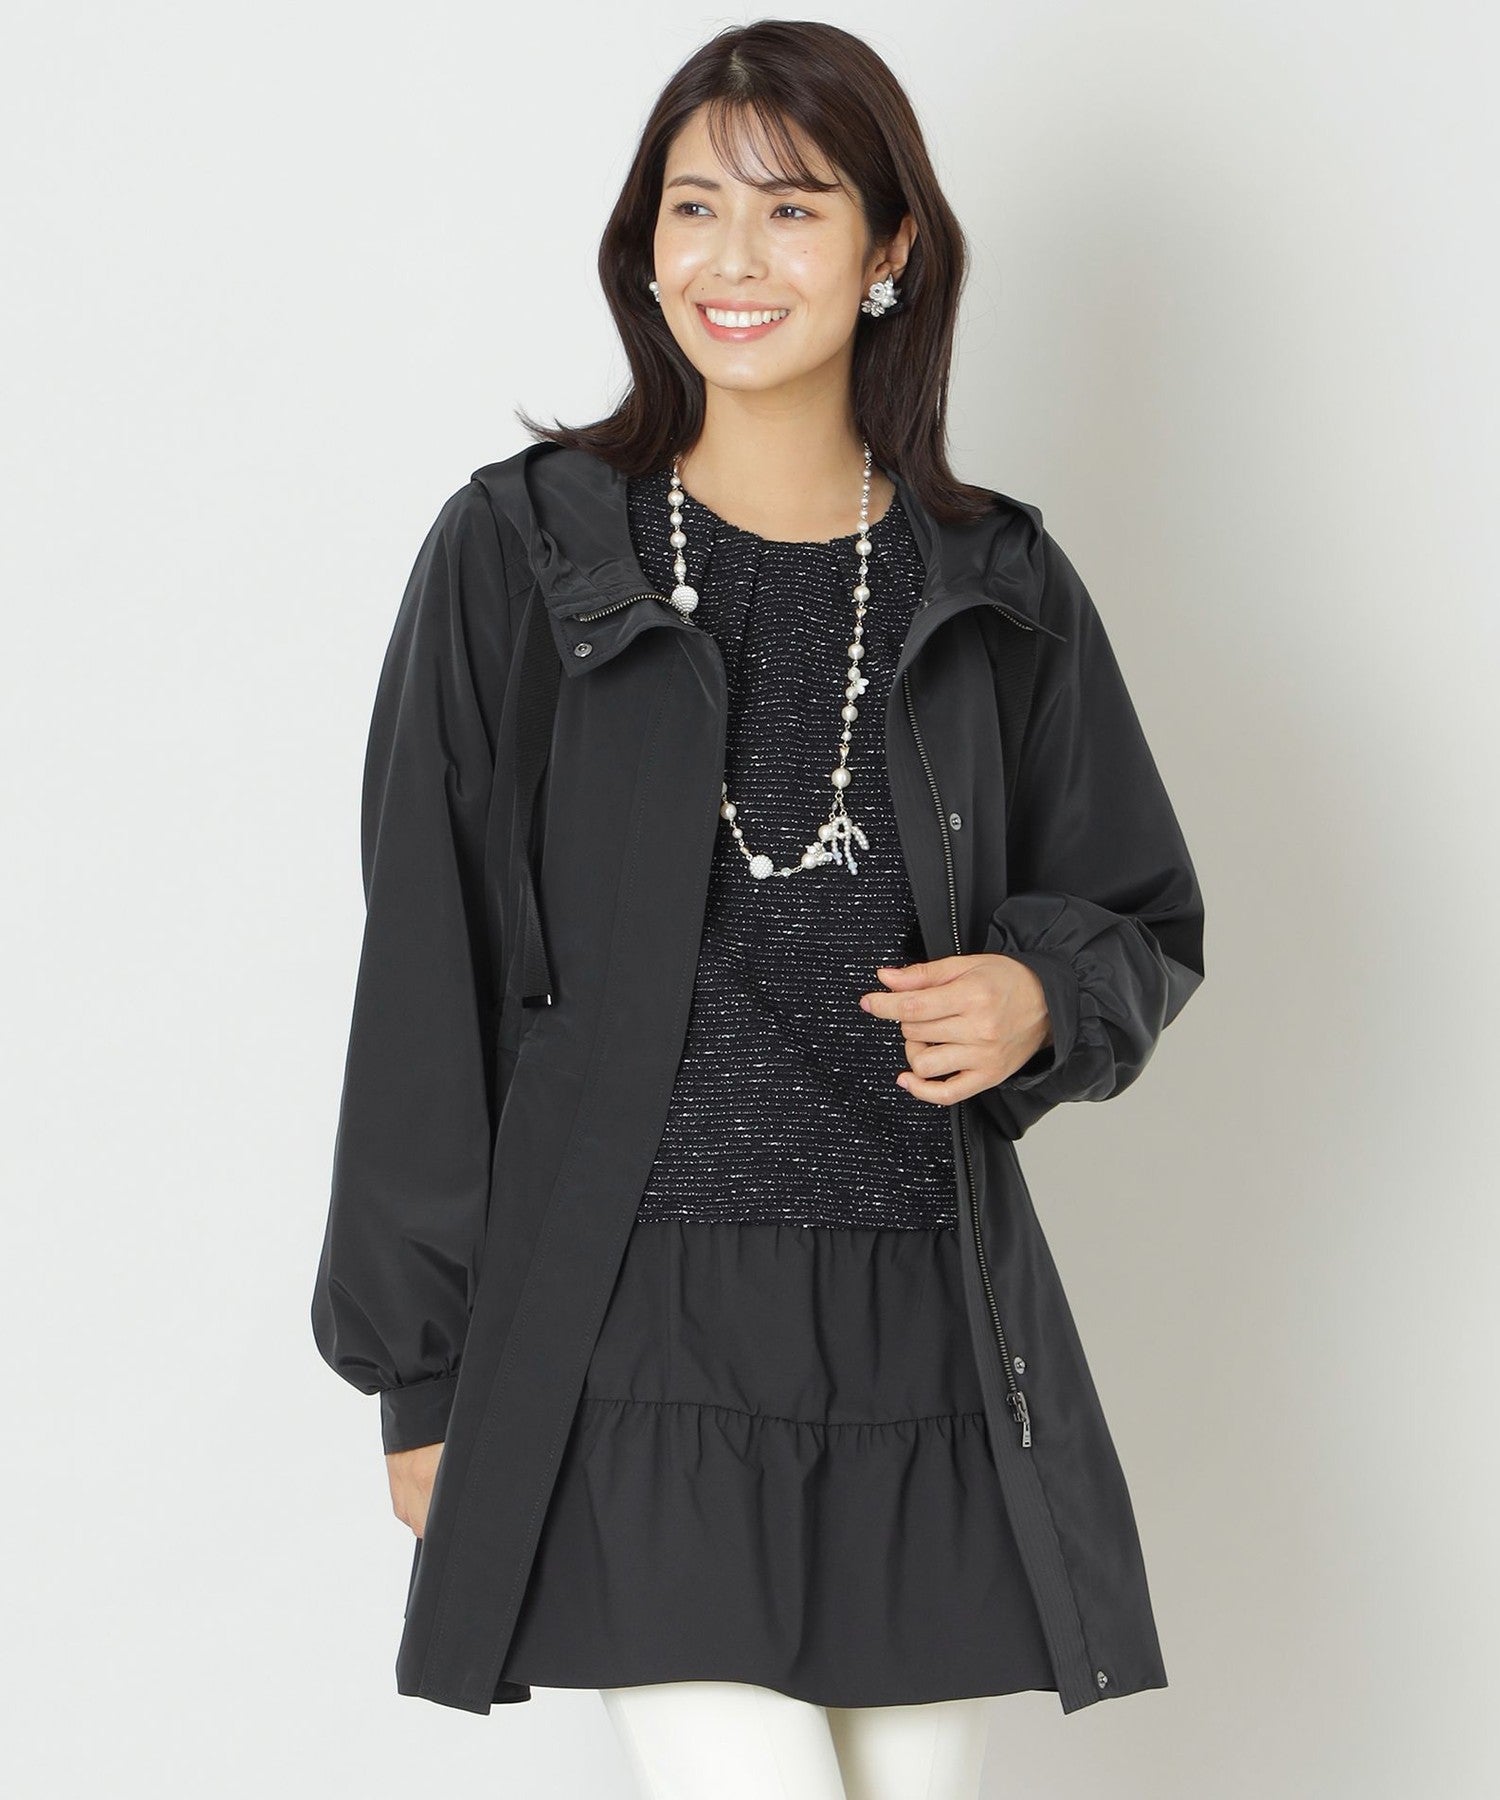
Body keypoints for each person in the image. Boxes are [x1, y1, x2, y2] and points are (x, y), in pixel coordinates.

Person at [311, 20, 1206, 1799]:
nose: (734, 256)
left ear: (889, 251)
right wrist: (424, 1379)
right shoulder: (524, 553)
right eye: (693, 205)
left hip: (926, 1331)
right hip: (628, 1328)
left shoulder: (998, 579)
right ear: (644, 244)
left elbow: (1140, 912)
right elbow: (423, 975)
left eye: (792, 209)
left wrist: (1040, 993)